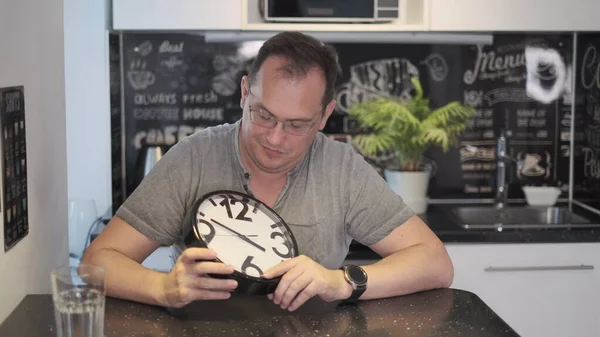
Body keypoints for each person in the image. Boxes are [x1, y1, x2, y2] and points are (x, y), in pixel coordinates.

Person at [82, 31, 453, 312]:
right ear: (245, 93)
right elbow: (97, 262)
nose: (275, 138)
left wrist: (341, 282)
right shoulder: (193, 158)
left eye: (296, 125)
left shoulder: (341, 168)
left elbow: (435, 263)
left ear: (325, 115)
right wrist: (163, 289)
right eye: (264, 114)